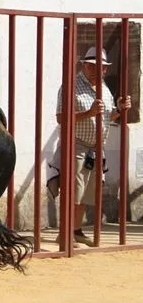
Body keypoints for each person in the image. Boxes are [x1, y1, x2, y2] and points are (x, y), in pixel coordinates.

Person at [47, 47, 131, 247]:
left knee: (86, 193)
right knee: (73, 192)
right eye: (92, 66)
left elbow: (108, 116)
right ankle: (64, 234)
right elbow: (61, 118)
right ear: (83, 65)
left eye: (101, 67)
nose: (97, 70)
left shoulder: (104, 88)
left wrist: (120, 110)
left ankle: (76, 231)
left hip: (95, 149)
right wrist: (88, 113)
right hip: (76, 145)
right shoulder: (70, 86)